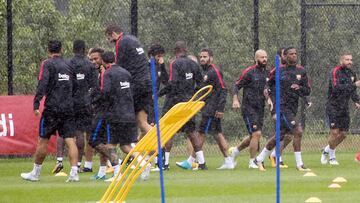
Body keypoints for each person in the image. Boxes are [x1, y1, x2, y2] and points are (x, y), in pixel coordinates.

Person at [21, 40, 79, 182]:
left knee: (43, 140)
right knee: (70, 140)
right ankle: (74, 173)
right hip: (68, 108)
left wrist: (36, 103)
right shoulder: (69, 65)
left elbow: (43, 82)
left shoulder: (47, 64)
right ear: (62, 49)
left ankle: (35, 173)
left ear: (48, 50)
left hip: (52, 108)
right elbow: (75, 85)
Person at [255, 47, 311, 171]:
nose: (294, 56)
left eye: (296, 53)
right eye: (291, 54)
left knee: (279, 136)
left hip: (292, 108)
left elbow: (307, 90)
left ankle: (259, 159)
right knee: (298, 130)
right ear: (284, 56)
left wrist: (299, 88)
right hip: (281, 107)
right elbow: (267, 88)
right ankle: (299, 164)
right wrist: (272, 106)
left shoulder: (301, 71)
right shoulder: (278, 70)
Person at [179, 48, 234, 169]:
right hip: (207, 106)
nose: (202, 59)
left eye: (205, 56)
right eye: (201, 57)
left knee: (201, 133)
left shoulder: (214, 71)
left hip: (211, 108)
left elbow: (223, 89)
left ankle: (191, 160)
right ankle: (229, 161)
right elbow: (199, 89)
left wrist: (220, 108)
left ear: (211, 58)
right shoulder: (202, 72)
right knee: (217, 134)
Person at [159, 41, 207, 170]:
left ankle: (166, 164)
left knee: (170, 131)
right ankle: (202, 163)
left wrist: (159, 93)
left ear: (175, 52)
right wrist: (193, 95)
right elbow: (201, 83)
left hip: (176, 103)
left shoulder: (175, 63)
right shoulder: (193, 63)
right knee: (191, 132)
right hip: (189, 103)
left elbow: (172, 83)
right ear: (185, 50)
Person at [52, 40, 98, 174]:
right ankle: (79, 164)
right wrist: (89, 98)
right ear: (84, 50)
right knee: (83, 134)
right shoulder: (89, 65)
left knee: (66, 132)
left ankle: (60, 160)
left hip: (70, 102)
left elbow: (65, 83)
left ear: (73, 49)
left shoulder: (68, 63)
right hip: (85, 103)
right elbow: (94, 86)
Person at [105, 25, 152, 138]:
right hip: (147, 82)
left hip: (137, 84)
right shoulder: (133, 39)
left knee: (131, 120)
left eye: (108, 38)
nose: (109, 41)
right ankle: (145, 154)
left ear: (113, 34)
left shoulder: (121, 42)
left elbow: (119, 67)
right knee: (142, 122)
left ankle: (161, 143)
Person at [230, 49, 270, 169]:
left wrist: (269, 100)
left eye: (266, 57)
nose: (264, 59)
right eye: (262, 57)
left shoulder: (268, 73)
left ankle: (235, 151)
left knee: (254, 135)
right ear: (256, 59)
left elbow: (269, 90)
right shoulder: (249, 72)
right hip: (248, 108)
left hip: (260, 108)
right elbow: (236, 85)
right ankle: (253, 161)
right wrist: (235, 100)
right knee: (256, 133)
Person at [321, 53, 360, 165]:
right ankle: (332, 157)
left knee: (343, 134)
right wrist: (354, 85)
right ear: (341, 60)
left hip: (344, 107)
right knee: (334, 132)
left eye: (351, 60)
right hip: (333, 106)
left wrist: (357, 101)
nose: (349, 62)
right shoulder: (335, 71)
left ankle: (326, 150)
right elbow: (336, 88)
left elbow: (352, 91)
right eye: (347, 59)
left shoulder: (352, 73)